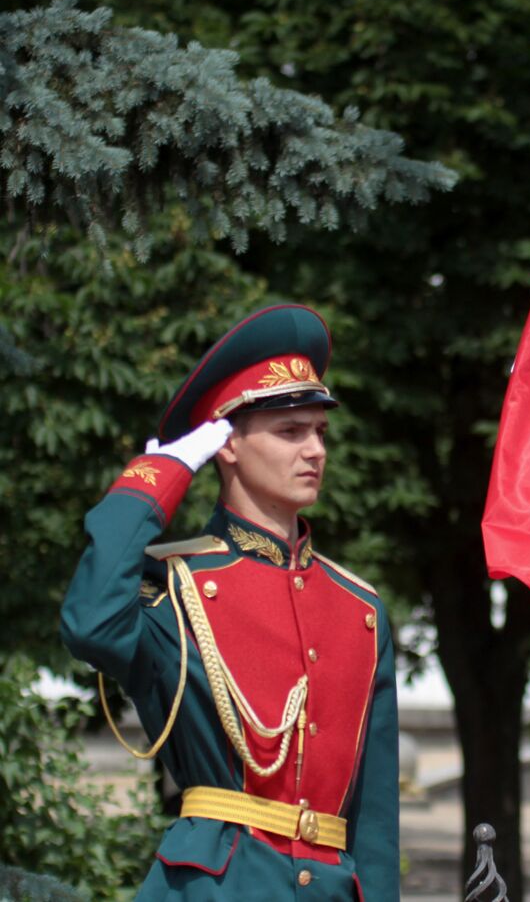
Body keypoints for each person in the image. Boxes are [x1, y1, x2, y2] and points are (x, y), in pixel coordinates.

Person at [61, 305, 399, 901]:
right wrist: (163, 471)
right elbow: (90, 622)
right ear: (227, 446)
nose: (315, 450)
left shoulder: (360, 610)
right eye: (290, 431)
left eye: (320, 430)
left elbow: (374, 822)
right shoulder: (177, 586)